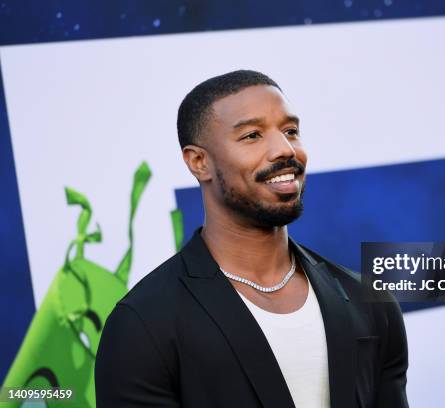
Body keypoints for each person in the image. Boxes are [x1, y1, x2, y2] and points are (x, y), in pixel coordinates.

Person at [95, 70, 409, 408]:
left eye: (291, 131)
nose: (285, 149)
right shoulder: (143, 324)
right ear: (199, 162)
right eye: (252, 136)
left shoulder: (367, 301)